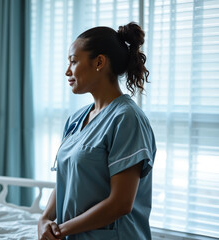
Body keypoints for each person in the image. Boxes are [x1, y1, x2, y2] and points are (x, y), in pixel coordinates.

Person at [37, 22, 156, 240]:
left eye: (73, 61)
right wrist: (44, 219)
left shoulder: (127, 119)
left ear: (99, 62)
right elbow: (66, 180)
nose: (67, 71)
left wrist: (61, 230)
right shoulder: (76, 119)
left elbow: (120, 204)